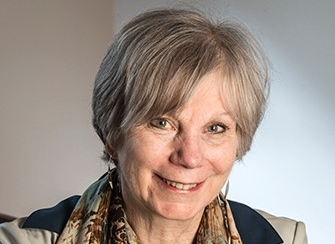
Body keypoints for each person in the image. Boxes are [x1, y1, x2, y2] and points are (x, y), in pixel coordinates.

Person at [0, 8, 307, 244]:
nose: (190, 157)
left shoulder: (282, 238)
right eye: (162, 122)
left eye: (215, 128)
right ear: (113, 133)